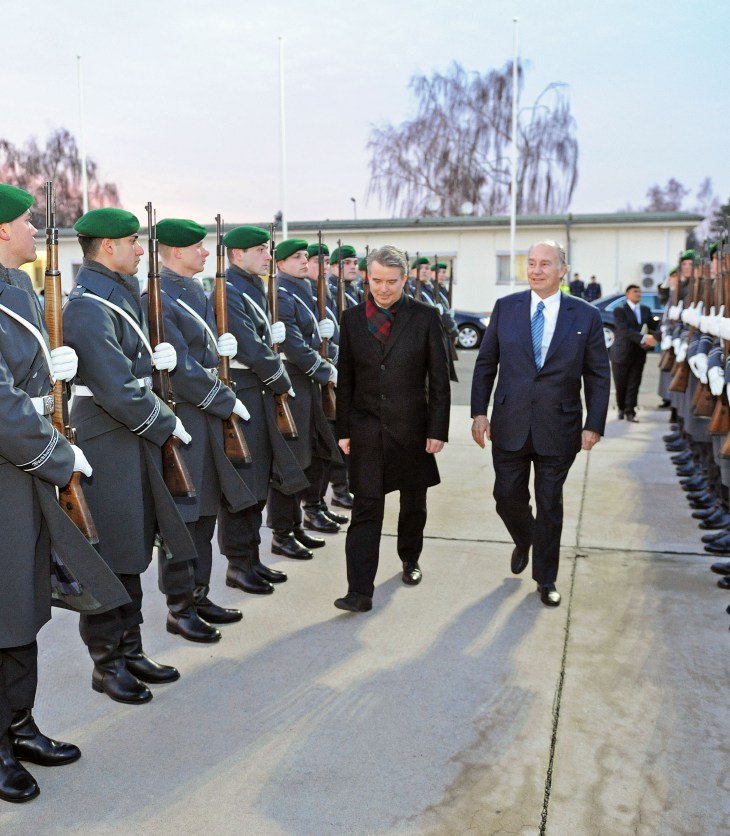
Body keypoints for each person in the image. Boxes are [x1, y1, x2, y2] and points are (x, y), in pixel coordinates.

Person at [0, 184, 129, 802]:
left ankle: (19, 725)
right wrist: (56, 454)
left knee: (22, 604)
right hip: (8, 469)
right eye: (25, 223)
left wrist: (52, 372)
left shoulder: (19, 288)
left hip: (22, 473)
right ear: (1, 231)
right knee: (1, 607)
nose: (33, 232)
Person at [63, 207, 199, 705]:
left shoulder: (114, 293)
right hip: (107, 434)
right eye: (133, 242)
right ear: (107, 248)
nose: (142, 250)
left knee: (134, 546)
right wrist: (165, 423)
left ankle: (131, 647)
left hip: (130, 433)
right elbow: (116, 388)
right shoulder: (87, 305)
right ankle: (107, 663)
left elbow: (132, 370)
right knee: (111, 554)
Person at [470, 240, 610, 607]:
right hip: (509, 422)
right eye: (531, 263)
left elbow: (598, 375)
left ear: (562, 270)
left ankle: (545, 578)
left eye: (545, 264)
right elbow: (486, 364)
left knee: (550, 504)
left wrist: (594, 423)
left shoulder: (585, 315)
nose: (535, 270)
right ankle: (525, 538)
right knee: (506, 496)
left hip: (559, 427)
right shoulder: (506, 308)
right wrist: (479, 413)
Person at [152, 218, 255, 635]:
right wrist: (225, 400)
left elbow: (201, 354)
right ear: (176, 252)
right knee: (185, 514)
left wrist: (220, 351)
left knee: (207, 509)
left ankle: (198, 593)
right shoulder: (157, 296)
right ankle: (179, 606)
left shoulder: (192, 290)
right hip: (186, 414)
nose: (206, 253)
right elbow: (179, 366)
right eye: (198, 247)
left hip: (206, 414)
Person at [334, 244, 450, 612]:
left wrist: (437, 429)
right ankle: (359, 590)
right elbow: (346, 377)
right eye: (377, 280)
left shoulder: (425, 317)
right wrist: (344, 429)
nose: (383, 289)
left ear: (405, 280)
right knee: (366, 508)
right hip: (367, 430)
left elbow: (440, 380)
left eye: (392, 282)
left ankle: (409, 557)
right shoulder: (352, 319)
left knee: (413, 502)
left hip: (413, 430)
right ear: (368, 277)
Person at [218, 225, 309, 585]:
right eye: (261, 250)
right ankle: (238, 563)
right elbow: (250, 346)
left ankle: (251, 558)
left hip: (258, 389)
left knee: (259, 479)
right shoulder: (229, 290)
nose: (269, 256)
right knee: (244, 480)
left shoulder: (253, 286)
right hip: (244, 388)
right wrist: (281, 378)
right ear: (238, 254)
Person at [266, 238, 341, 558]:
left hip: (309, 383)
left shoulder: (303, 290)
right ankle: (283, 531)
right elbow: (293, 345)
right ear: (280, 264)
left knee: (316, 452)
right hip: (294, 382)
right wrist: (325, 370)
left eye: (305, 257)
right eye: (296, 257)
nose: (304, 261)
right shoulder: (282, 294)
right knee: (291, 461)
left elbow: (310, 337)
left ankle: (299, 521)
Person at [609, 284, 658, 422]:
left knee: (634, 384)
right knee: (621, 383)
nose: (638, 294)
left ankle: (630, 411)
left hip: (639, 353)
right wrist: (643, 338)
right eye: (635, 291)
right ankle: (621, 408)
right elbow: (624, 330)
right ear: (627, 294)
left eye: (639, 291)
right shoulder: (619, 310)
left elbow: (653, 327)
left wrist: (655, 337)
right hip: (622, 353)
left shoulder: (645, 310)